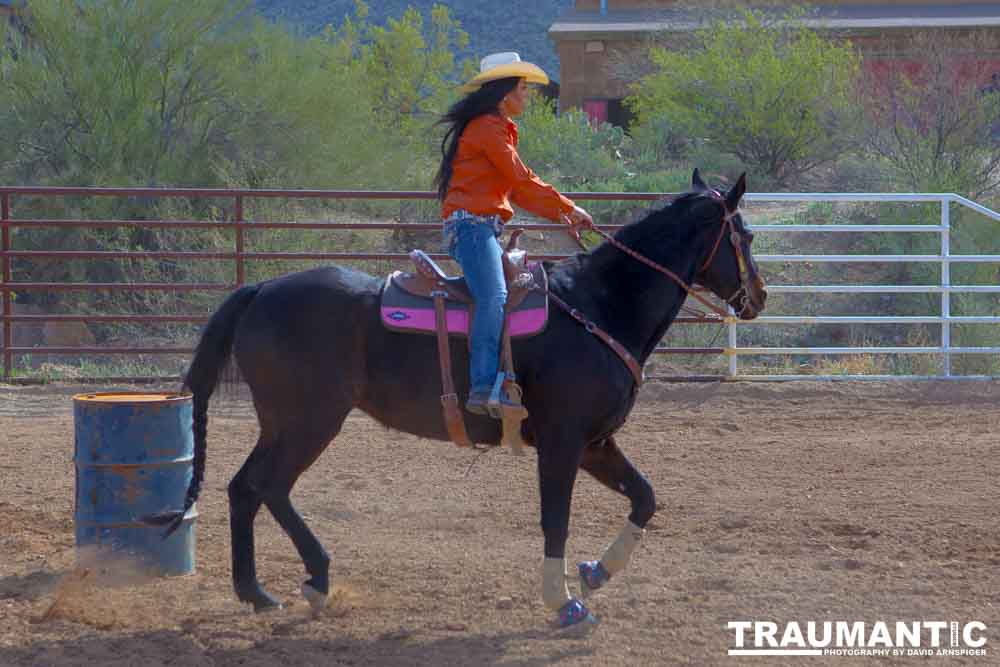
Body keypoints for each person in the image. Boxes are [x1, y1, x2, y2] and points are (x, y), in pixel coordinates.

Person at [433, 51, 594, 416]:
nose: (527, 95)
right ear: (505, 92)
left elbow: (518, 190)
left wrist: (561, 214)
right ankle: (482, 387)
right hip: (472, 227)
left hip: (478, 226)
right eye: (523, 88)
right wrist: (569, 208)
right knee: (495, 295)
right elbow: (521, 179)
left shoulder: (494, 128)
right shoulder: (487, 128)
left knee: (506, 293)